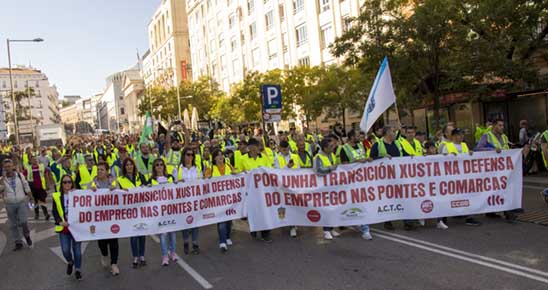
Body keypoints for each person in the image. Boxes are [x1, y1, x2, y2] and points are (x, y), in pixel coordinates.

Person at [369, 126, 416, 231]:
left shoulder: (397, 143)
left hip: (399, 176)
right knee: (388, 200)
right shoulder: (377, 145)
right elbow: (371, 159)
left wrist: (411, 156)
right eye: (393, 132)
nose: (395, 134)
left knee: (404, 198)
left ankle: (407, 222)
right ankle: (387, 221)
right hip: (385, 178)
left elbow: (403, 154)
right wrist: (382, 157)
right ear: (387, 133)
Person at [475, 119, 516, 221]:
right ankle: (495, 211)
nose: (502, 127)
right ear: (493, 126)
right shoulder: (487, 136)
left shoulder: (504, 137)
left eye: (503, 125)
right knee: (494, 189)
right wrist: (492, 150)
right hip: (491, 169)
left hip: (504, 168)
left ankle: (507, 211)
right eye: (500, 125)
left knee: (505, 189)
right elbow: (478, 148)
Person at [442, 128, 481, 227]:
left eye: (462, 134)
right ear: (454, 136)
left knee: (468, 196)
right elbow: (442, 160)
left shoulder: (464, 145)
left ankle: (469, 217)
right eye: (459, 135)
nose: (461, 137)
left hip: (464, 177)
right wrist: (449, 156)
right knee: (450, 197)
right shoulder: (447, 146)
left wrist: (470, 154)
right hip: (452, 177)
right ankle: (444, 215)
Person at [115, 158, 149, 268]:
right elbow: (116, 195)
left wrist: (147, 187)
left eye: (131, 165)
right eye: (127, 165)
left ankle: (142, 256)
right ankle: (135, 257)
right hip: (129, 212)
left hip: (141, 210)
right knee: (133, 235)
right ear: (124, 167)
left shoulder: (140, 176)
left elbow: (148, 189)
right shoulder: (120, 180)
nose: (129, 167)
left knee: (142, 234)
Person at [339, 130, 373, 240]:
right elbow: (345, 165)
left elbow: (364, 158)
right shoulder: (344, 149)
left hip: (363, 179)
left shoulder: (361, 145)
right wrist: (358, 161)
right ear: (352, 137)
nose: (360, 137)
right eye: (357, 135)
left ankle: (365, 228)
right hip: (351, 181)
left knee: (363, 203)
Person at [88, 162, 119, 276]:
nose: (99, 172)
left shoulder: (114, 181)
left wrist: (115, 189)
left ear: (107, 171)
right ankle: (104, 254)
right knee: (102, 241)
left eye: (101, 170)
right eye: (98, 170)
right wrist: (90, 191)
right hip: (99, 218)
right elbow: (85, 196)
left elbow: (120, 194)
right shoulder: (92, 183)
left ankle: (114, 264)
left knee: (114, 241)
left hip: (112, 216)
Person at [52, 174, 83, 280]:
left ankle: (78, 270)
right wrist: (60, 221)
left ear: (72, 183)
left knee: (77, 251)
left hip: (76, 228)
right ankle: (70, 262)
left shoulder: (78, 195)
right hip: (64, 228)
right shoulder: (56, 196)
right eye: (65, 182)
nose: (67, 184)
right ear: (61, 184)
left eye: (69, 182)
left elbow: (87, 206)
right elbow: (54, 212)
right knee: (65, 250)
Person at [242, 138, 273, 242]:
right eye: (253, 147)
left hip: (263, 189)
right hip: (250, 190)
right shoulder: (243, 159)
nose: (255, 149)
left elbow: (269, 169)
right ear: (249, 148)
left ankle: (266, 233)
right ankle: (254, 228)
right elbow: (239, 172)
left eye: (257, 146)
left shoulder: (263, 157)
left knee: (264, 210)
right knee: (254, 211)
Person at [205, 149, 235, 252]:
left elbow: (235, 174)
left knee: (229, 219)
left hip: (229, 197)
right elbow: (205, 180)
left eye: (221, 155)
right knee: (221, 220)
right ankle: (222, 241)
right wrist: (208, 178)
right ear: (214, 158)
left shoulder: (228, 166)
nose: (221, 157)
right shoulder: (211, 169)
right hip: (217, 200)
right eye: (218, 155)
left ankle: (227, 236)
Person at [150, 158, 178, 265]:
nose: (159, 166)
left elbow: (176, 190)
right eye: (157, 165)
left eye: (161, 164)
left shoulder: (170, 177)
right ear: (154, 167)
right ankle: (165, 255)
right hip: (159, 212)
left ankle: (173, 252)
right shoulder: (151, 180)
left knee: (173, 233)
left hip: (171, 210)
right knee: (163, 235)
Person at [0, 159, 33, 251]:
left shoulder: (19, 175)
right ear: (3, 168)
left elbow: (26, 185)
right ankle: (18, 242)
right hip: (9, 204)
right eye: (6, 167)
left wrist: (31, 197)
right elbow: (0, 189)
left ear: (13, 167)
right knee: (13, 224)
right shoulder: (2, 179)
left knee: (23, 222)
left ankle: (27, 236)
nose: (8, 168)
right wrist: (2, 179)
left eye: (9, 166)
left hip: (21, 202)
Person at [313, 137, 341, 240]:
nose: (333, 148)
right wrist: (330, 168)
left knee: (333, 208)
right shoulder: (318, 157)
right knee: (326, 209)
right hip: (323, 187)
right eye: (331, 146)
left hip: (332, 186)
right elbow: (318, 170)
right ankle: (326, 230)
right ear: (324, 148)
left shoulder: (331, 155)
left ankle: (331, 228)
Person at [177, 147, 201, 254]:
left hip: (195, 200)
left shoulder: (197, 169)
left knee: (195, 222)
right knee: (185, 222)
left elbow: (201, 182)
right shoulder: (178, 169)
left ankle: (195, 243)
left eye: (192, 155)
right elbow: (173, 185)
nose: (190, 157)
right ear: (183, 155)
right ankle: (186, 240)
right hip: (183, 200)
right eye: (188, 154)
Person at [24, 155, 52, 220]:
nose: (35, 160)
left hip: (41, 187)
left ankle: (46, 214)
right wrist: (26, 188)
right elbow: (24, 178)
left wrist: (48, 184)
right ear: (30, 161)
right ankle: (36, 214)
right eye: (33, 159)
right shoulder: (28, 168)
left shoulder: (41, 166)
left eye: (36, 159)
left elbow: (46, 175)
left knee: (42, 200)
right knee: (35, 201)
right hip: (32, 187)